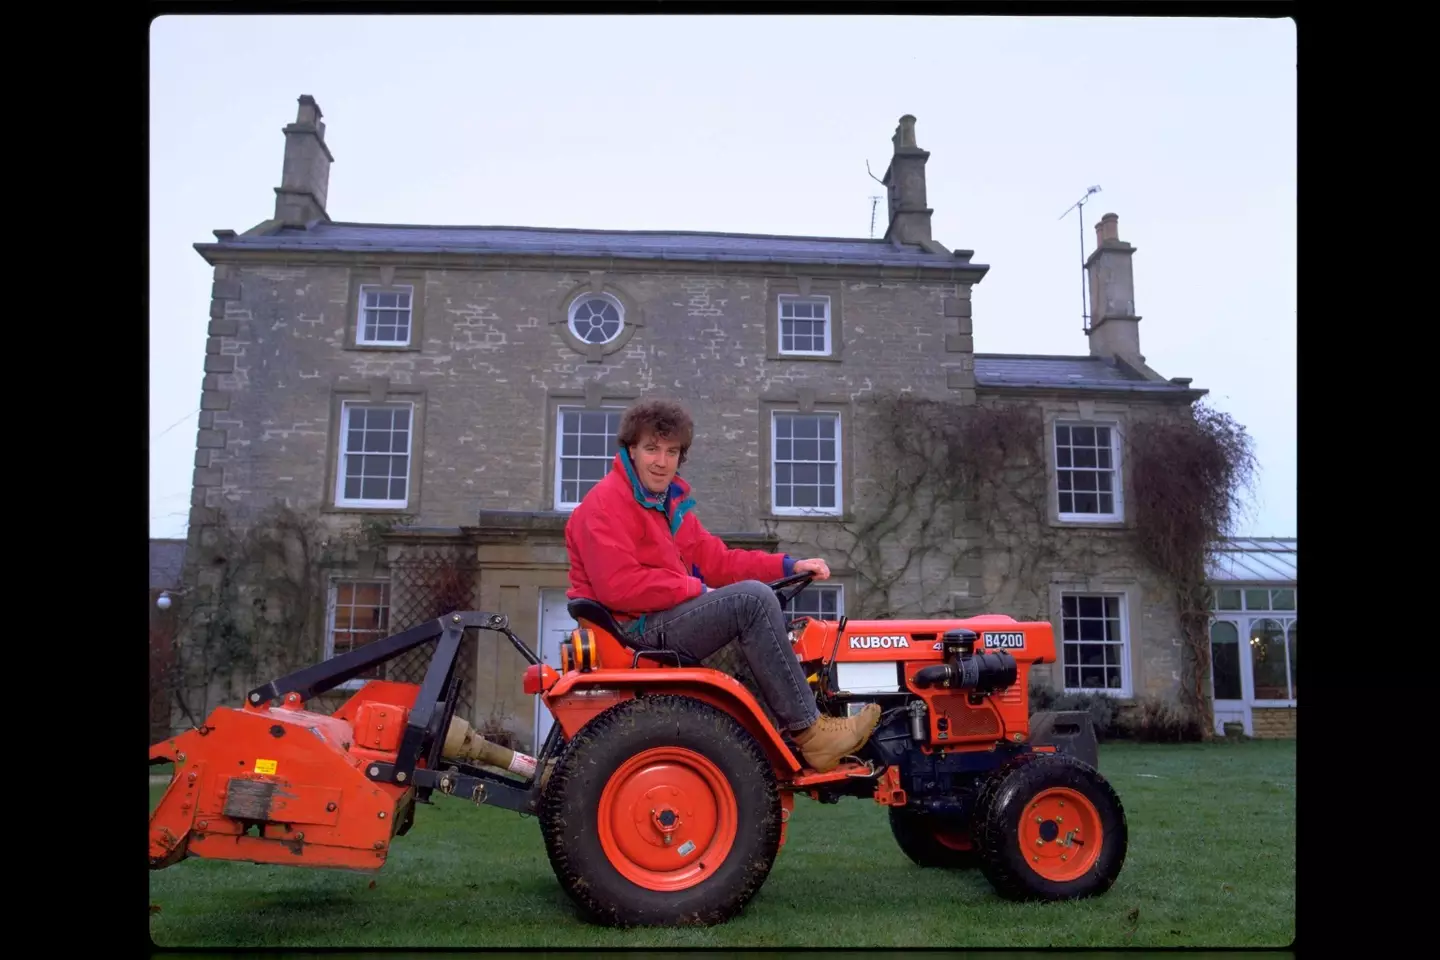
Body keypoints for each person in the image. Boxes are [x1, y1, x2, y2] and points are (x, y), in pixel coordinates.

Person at [564, 398, 881, 773]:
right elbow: (618, 587)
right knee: (752, 601)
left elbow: (717, 561)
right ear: (631, 450)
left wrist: (788, 565)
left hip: (657, 620)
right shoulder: (605, 504)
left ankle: (782, 734)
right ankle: (812, 734)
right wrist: (696, 590)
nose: (661, 461)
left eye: (671, 452)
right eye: (651, 449)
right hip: (630, 631)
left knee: (765, 603)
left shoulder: (664, 504)